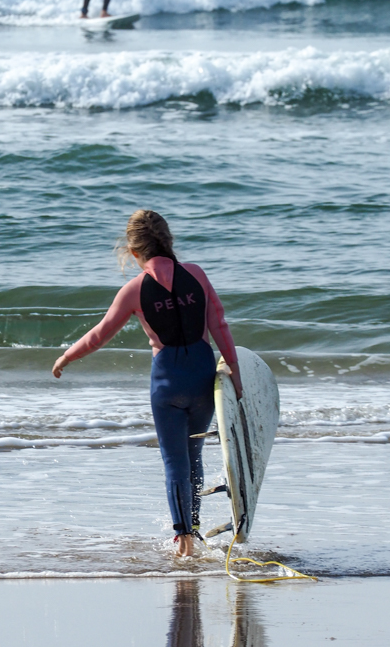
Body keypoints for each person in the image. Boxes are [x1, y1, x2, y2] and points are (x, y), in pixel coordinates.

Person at [52, 210, 242, 557]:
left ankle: (183, 540)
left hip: (167, 381)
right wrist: (236, 374)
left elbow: (99, 336)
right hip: (202, 375)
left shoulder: (134, 290)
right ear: (168, 241)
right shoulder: (196, 274)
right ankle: (195, 531)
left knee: (174, 463)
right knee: (193, 453)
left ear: (133, 252)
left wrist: (66, 358)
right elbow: (219, 324)